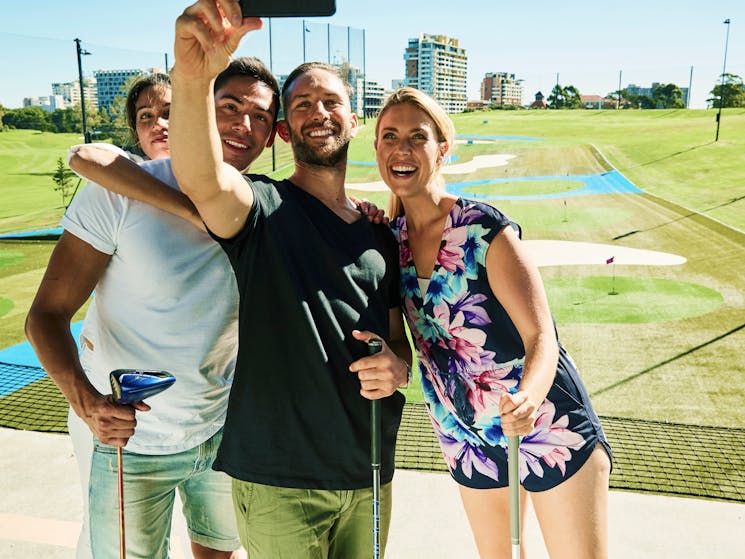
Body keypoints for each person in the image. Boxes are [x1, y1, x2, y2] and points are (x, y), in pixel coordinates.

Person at [165, 2, 411, 557]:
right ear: (283, 129)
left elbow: (399, 343)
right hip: (279, 479)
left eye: (332, 102)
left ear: (354, 120)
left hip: (368, 474)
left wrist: (397, 366)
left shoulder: (380, 236)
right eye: (302, 104)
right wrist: (193, 78)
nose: (318, 112)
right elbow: (203, 178)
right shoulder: (261, 205)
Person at [25, 56, 281, 559]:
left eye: (261, 118)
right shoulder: (120, 193)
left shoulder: (267, 209)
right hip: (131, 446)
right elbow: (46, 316)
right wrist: (88, 402)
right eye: (229, 107)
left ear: (273, 137)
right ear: (198, 111)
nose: (243, 125)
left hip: (223, 435)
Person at [376, 87, 613, 559]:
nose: (401, 150)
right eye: (389, 136)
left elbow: (541, 335)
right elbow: (402, 342)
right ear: (377, 148)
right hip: (463, 433)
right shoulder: (388, 240)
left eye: (416, 137)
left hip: (543, 421)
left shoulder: (482, 228)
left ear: (442, 149)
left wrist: (528, 397)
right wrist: (390, 360)